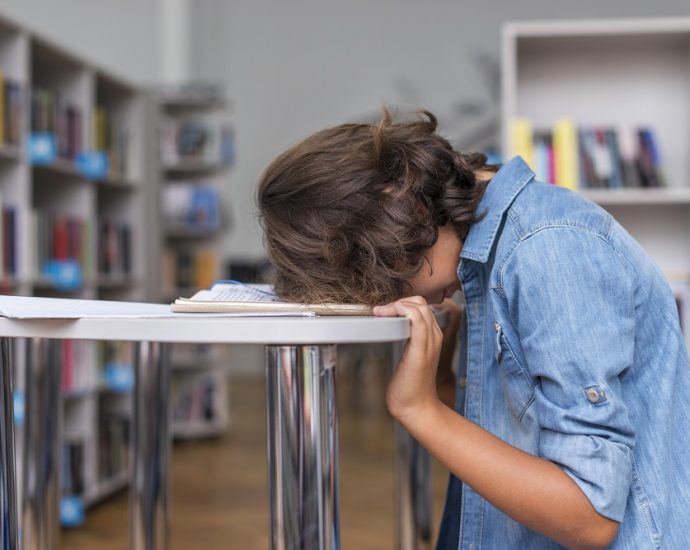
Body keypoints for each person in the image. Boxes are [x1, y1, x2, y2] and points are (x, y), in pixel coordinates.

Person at [256, 109, 690, 549]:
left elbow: (589, 516)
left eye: (379, 280)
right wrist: (446, 379)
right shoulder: (487, 255)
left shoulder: (546, 249)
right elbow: (521, 433)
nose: (387, 298)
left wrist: (421, 410)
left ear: (400, 205)